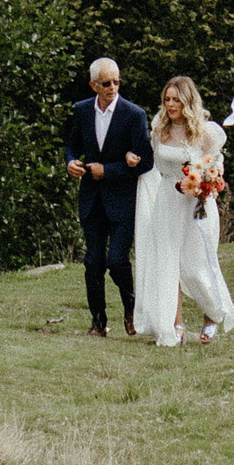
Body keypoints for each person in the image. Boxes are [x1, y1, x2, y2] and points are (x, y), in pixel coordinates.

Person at [135, 73, 234, 345]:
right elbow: (153, 160)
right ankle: (175, 322)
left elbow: (216, 166)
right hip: (167, 201)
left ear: (187, 102)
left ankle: (211, 315)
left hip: (196, 205)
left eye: (176, 100)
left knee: (196, 266)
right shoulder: (160, 127)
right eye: (167, 100)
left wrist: (208, 181)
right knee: (168, 263)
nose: (170, 105)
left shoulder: (206, 132)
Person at [63, 54, 151, 339]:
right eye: (106, 83)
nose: (113, 87)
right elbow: (71, 145)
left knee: (117, 261)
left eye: (116, 82)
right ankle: (98, 322)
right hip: (91, 198)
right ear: (93, 85)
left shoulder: (133, 115)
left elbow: (145, 163)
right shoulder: (82, 110)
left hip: (122, 199)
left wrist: (109, 170)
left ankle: (131, 308)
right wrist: (71, 162)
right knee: (93, 262)